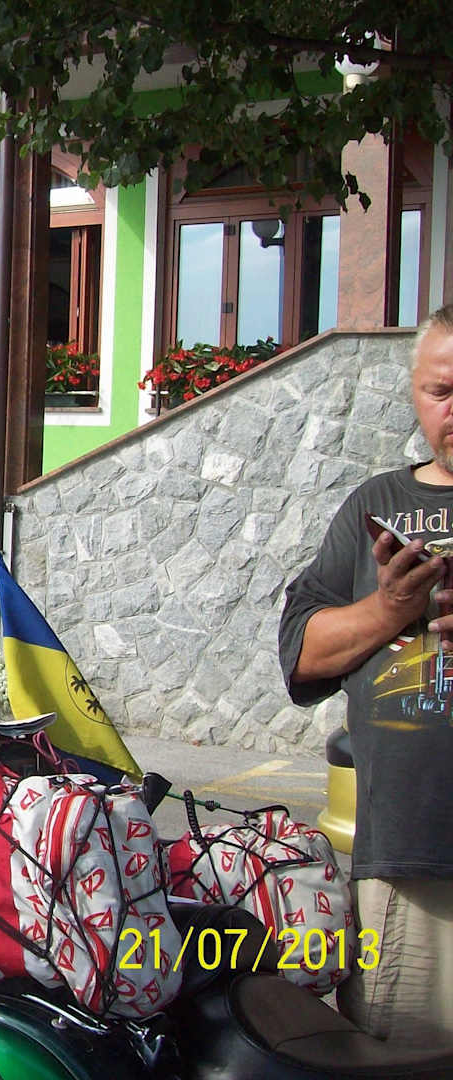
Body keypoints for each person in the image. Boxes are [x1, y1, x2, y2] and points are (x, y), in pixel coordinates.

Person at [279, 303, 453, 1048]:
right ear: (415, 392)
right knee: (398, 1055)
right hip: (410, 862)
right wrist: (390, 609)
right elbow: (301, 653)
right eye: (441, 391)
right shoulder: (377, 506)